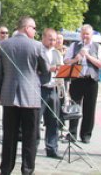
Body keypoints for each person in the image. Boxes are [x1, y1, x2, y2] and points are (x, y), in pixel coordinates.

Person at [0, 16, 48, 175]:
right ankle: (27, 170)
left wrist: (0, 93)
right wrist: (40, 81)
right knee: (30, 137)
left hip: (9, 97)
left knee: (9, 137)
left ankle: (5, 169)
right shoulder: (37, 46)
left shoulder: (3, 45)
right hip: (31, 96)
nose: (35, 31)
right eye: (34, 28)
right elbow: (46, 72)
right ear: (26, 28)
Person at [63, 24, 101, 143]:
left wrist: (88, 56)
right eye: (83, 33)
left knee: (89, 108)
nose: (85, 36)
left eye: (87, 34)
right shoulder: (74, 45)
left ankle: (86, 134)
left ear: (92, 35)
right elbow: (66, 61)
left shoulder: (97, 47)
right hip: (77, 79)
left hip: (91, 80)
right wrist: (76, 59)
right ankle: (72, 133)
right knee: (74, 106)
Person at [40, 28, 63, 159]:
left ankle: (52, 148)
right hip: (40, 88)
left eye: (54, 40)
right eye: (50, 39)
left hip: (53, 88)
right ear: (43, 38)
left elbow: (62, 68)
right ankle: (33, 146)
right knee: (36, 119)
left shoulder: (57, 53)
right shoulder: (38, 50)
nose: (52, 42)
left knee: (53, 120)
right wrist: (51, 68)